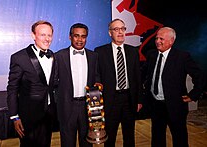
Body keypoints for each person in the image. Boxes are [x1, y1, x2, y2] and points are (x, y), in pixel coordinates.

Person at [142, 27, 205, 147]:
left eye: (161, 38)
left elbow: (199, 76)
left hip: (175, 106)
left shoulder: (182, 57)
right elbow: (143, 74)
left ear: (171, 41)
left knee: (179, 138)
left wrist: (193, 95)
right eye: (156, 38)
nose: (157, 41)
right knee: (157, 137)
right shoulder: (151, 55)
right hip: (156, 105)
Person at [7, 20, 57, 147]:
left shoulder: (53, 56)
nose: (47, 39)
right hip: (28, 117)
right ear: (33, 36)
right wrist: (14, 116)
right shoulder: (19, 57)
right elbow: (12, 89)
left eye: (49, 35)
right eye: (42, 35)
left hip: (48, 114)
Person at [94, 18, 142, 147]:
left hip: (129, 99)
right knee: (109, 137)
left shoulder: (133, 51)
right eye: (116, 29)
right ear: (110, 33)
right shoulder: (100, 52)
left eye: (123, 29)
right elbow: (96, 75)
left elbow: (138, 78)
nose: (120, 32)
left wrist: (139, 100)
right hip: (110, 100)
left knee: (129, 136)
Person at [55, 23, 99, 147]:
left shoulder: (94, 56)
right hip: (67, 107)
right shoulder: (59, 56)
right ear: (70, 37)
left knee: (87, 143)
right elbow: (53, 83)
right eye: (76, 36)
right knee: (67, 143)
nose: (80, 40)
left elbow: (96, 77)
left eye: (83, 36)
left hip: (87, 107)